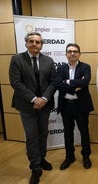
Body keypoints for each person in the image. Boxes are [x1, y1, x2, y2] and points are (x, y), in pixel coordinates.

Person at [9, 32, 55, 184]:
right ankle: (35, 168)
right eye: (32, 41)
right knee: (31, 136)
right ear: (26, 43)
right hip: (26, 106)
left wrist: (44, 99)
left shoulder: (48, 60)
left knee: (43, 134)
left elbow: (53, 82)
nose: (35, 44)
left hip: (45, 105)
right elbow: (16, 82)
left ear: (41, 45)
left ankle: (42, 159)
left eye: (38, 42)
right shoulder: (17, 59)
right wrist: (34, 99)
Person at [55, 43, 94, 170]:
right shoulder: (60, 69)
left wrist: (67, 81)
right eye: (70, 51)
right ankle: (69, 156)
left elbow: (85, 81)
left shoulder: (85, 67)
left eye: (75, 51)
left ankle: (86, 156)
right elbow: (57, 84)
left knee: (84, 132)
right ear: (66, 54)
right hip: (66, 105)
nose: (72, 53)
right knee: (68, 132)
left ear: (79, 54)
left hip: (81, 106)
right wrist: (74, 87)